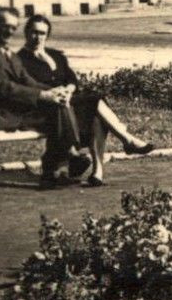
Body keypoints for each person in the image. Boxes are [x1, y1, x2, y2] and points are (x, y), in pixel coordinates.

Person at [18, 14, 154, 187]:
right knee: (95, 103)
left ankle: (99, 171)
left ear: (47, 35)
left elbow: (72, 79)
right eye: (34, 32)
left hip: (67, 102)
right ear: (26, 33)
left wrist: (69, 89)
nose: (38, 37)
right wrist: (54, 92)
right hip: (46, 108)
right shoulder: (20, 60)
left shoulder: (55, 55)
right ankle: (126, 141)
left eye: (42, 33)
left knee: (96, 111)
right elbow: (28, 87)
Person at [0, 7, 90, 188]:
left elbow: (27, 80)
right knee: (56, 112)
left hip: (15, 112)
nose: (9, 31)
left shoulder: (8, 53)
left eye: (13, 27)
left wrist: (56, 92)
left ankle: (53, 171)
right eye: (5, 26)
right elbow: (3, 88)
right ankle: (67, 158)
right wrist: (43, 95)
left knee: (58, 107)